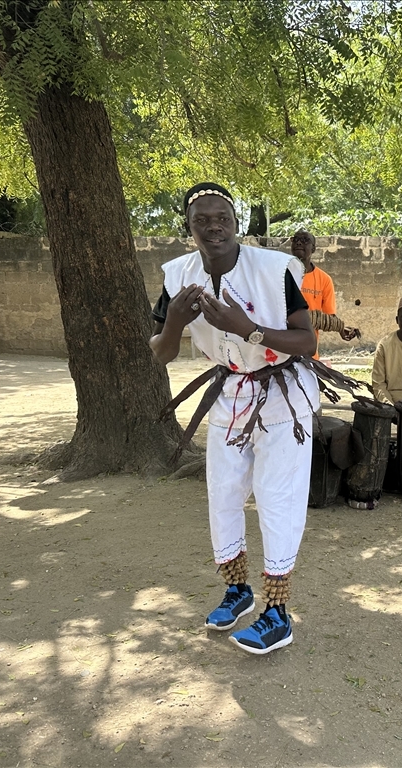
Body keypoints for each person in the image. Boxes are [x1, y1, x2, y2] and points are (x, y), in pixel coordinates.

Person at [149, 182, 319, 655]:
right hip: (230, 394)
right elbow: (160, 353)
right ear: (189, 227)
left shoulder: (273, 269)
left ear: (236, 223)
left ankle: (278, 613)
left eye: (221, 217)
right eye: (201, 219)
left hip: (284, 397)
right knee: (222, 495)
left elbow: (306, 342)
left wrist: (247, 329)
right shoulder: (176, 277)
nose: (212, 226)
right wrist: (175, 324)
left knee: (276, 498)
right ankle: (238, 590)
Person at [291, 229, 360, 358]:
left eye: (305, 240)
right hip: (281, 349)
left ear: (313, 249)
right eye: (295, 239)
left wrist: (340, 328)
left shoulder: (324, 280)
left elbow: (328, 318)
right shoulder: (280, 274)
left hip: (308, 351)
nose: (299, 243)